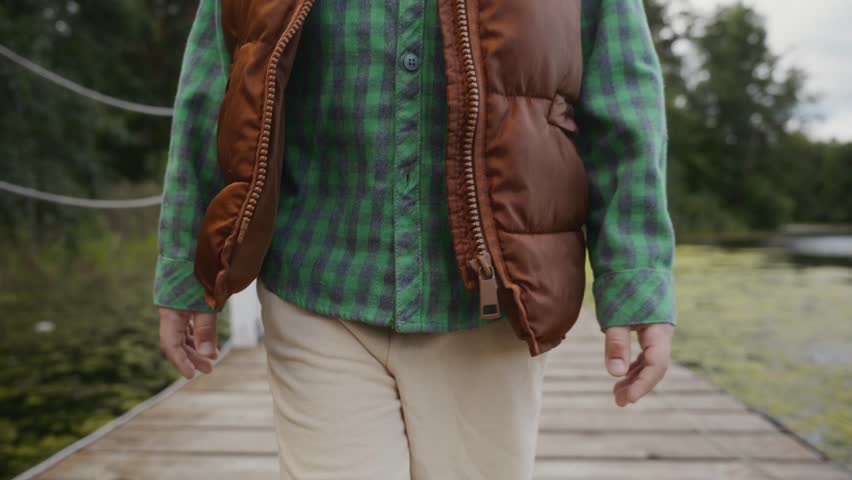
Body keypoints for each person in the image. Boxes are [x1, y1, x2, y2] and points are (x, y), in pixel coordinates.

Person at [154, 0, 676, 478]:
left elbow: (623, 102)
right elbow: (216, 85)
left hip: (492, 302)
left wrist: (636, 276)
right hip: (317, 283)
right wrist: (185, 267)